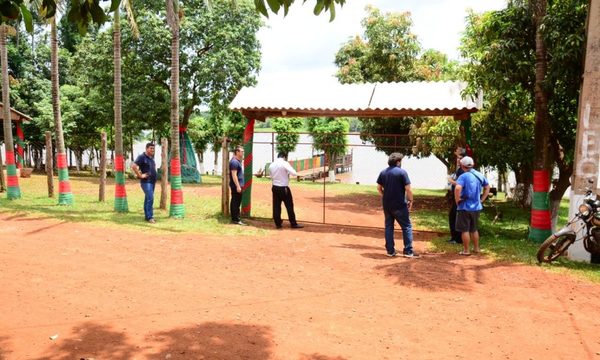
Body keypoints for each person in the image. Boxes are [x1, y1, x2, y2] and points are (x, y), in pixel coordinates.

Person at [376, 153, 417, 258]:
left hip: (387, 204)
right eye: (401, 161)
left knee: (389, 227)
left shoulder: (383, 172)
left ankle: (390, 251)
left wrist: (384, 196)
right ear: (398, 162)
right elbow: (408, 189)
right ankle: (408, 251)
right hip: (399, 204)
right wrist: (410, 200)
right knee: (406, 226)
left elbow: (378, 188)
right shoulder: (402, 172)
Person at [454, 156, 491, 255]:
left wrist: (457, 200)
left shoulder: (463, 176)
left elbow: (457, 188)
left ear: (462, 166)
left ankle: (466, 250)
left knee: (465, 230)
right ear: (472, 165)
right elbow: (487, 187)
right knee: (474, 229)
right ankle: (476, 248)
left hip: (464, 206)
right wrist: (481, 200)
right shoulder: (479, 175)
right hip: (476, 207)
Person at [269, 152, 304, 229]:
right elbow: (294, 173)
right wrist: (287, 172)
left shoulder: (271, 164)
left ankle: (278, 223)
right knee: (289, 206)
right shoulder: (284, 163)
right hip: (283, 187)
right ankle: (293, 223)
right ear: (284, 157)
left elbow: (271, 176)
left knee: (276, 206)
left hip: (275, 187)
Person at [131, 142, 157, 224]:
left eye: (153, 148)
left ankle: (147, 216)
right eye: (151, 148)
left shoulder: (151, 158)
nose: (152, 150)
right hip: (146, 182)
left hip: (152, 182)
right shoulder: (142, 157)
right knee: (150, 198)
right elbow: (133, 166)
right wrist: (140, 175)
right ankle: (150, 217)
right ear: (146, 149)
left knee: (147, 199)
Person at [447, 147, 467, 244]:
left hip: (460, 198)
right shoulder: (459, 170)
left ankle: (458, 239)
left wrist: (451, 181)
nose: (458, 160)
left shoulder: (463, 171)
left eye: (460, 158)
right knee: (452, 216)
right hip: (456, 197)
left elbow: (460, 184)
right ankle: (454, 237)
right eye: (457, 158)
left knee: (456, 217)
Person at [229, 145, 247, 225]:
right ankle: (236, 219)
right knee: (235, 202)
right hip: (236, 186)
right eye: (242, 151)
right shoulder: (234, 162)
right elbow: (234, 175)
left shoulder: (237, 161)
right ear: (237, 152)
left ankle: (235, 218)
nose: (243, 153)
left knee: (236, 201)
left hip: (238, 186)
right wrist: (238, 186)